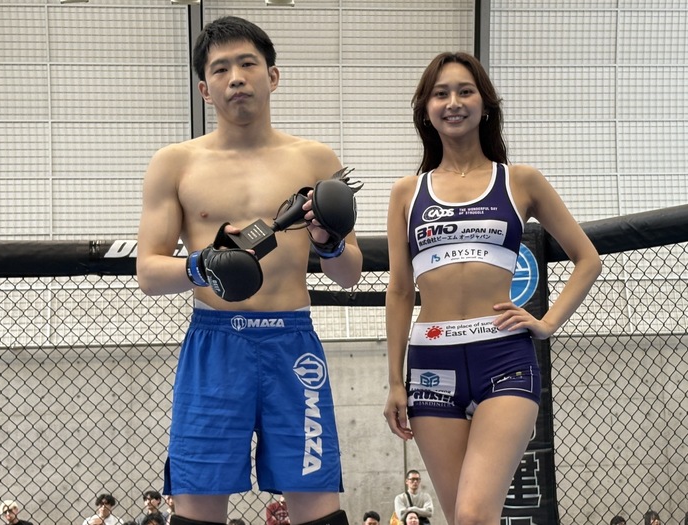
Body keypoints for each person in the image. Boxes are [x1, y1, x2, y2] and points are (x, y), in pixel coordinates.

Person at [136, 15, 362, 525]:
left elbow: (349, 274)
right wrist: (203, 265)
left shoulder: (315, 158)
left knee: (318, 507)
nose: (235, 78)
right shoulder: (174, 163)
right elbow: (148, 273)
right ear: (204, 89)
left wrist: (328, 244)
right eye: (221, 69)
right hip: (214, 344)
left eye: (247, 64)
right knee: (196, 508)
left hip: (292, 342)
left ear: (272, 75)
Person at [382, 51, 602, 525]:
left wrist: (547, 323)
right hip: (431, 361)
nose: (453, 102)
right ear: (425, 108)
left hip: (504, 357)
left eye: (465, 91)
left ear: (485, 104)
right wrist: (395, 381)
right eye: (441, 94)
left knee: (475, 514)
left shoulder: (520, 180)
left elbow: (588, 259)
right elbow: (399, 291)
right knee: (460, 517)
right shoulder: (406, 192)